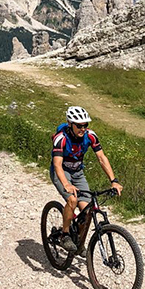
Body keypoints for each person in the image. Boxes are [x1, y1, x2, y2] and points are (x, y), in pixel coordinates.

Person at [51, 106, 123, 253]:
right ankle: (65, 235)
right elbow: (57, 164)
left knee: (88, 210)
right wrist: (66, 184)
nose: (83, 129)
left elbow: (102, 158)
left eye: (85, 125)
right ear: (70, 124)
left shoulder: (90, 136)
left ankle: (79, 240)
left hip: (77, 173)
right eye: (79, 125)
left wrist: (113, 180)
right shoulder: (61, 139)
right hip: (62, 173)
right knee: (72, 200)